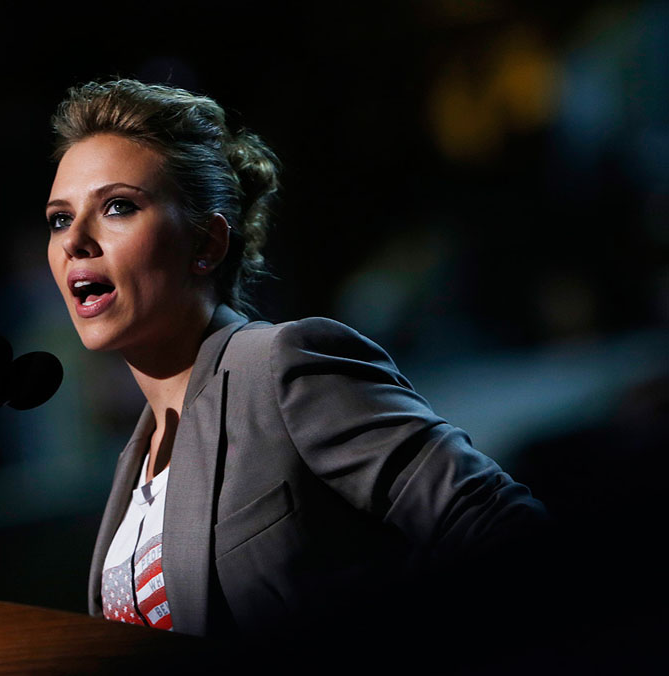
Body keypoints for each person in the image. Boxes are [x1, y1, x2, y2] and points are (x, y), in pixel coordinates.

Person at [43, 79, 549, 648]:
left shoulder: (280, 366)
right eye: (60, 218)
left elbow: (494, 521)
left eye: (118, 207)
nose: (75, 241)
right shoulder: (133, 462)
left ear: (207, 244)